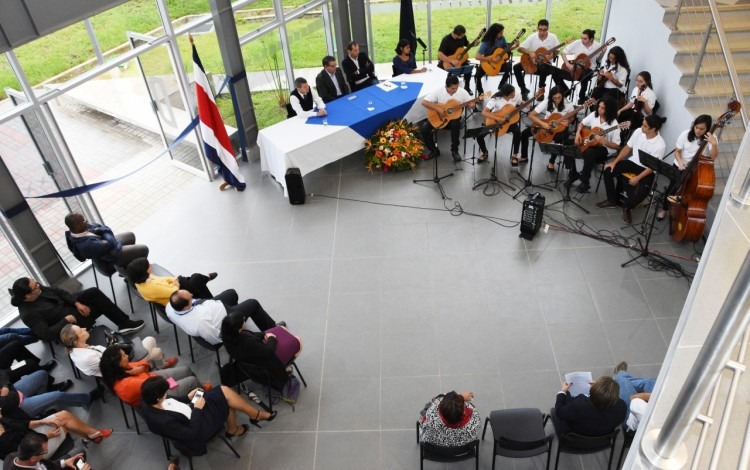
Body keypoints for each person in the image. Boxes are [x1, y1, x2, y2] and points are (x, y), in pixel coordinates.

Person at [140, 376, 276, 456]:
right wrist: (198, 409)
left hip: (191, 412)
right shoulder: (164, 422)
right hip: (197, 429)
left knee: (224, 394)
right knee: (226, 398)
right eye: (165, 392)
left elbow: (171, 400)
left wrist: (188, 397)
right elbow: (191, 434)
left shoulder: (149, 399)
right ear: (157, 397)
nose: (167, 392)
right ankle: (249, 419)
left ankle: (237, 427)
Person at [10, 278, 145, 342]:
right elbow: (45, 334)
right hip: (68, 323)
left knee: (93, 293)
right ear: (28, 296)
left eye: (36, 283)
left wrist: (77, 303)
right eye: (36, 287)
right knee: (100, 304)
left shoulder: (36, 288)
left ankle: (123, 323)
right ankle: (120, 322)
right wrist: (65, 321)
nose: (39, 286)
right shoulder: (28, 313)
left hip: (70, 307)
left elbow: (59, 292)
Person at [596, 114, 668, 224]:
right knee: (608, 171)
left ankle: (627, 208)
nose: (641, 127)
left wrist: (638, 178)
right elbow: (627, 148)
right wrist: (614, 163)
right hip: (633, 162)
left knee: (643, 192)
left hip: (647, 169)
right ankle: (611, 200)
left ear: (653, 129)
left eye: (644, 126)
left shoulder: (660, 145)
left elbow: (652, 167)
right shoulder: (639, 132)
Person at [167, 289, 281, 346]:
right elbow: (216, 339)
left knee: (231, 293)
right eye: (190, 298)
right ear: (186, 307)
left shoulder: (170, 307)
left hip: (212, 308)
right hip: (225, 319)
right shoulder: (200, 323)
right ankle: (274, 331)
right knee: (253, 304)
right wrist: (234, 325)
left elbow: (196, 303)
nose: (192, 295)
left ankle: (241, 318)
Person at [220, 312, 301, 391]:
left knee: (282, 328)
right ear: (238, 329)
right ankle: (285, 367)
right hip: (266, 362)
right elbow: (268, 351)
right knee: (298, 341)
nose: (244, 320)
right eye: (243, 320)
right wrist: (272, 338)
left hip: (251, 358)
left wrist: (263, 335)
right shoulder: (247, 343)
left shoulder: (227, 336)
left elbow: (250, 335)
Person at [60, 324, 177, 378]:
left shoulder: (76, 349)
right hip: (121, 366)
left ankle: (156, 366)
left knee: (154, 349)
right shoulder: (87, 357)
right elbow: (116, 367)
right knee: (154, 347)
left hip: (116, 358)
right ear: (76, 340)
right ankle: (159, 366)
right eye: (80, 330)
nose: (84, 328)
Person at [99, 346, 199, 408]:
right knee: (192, 381)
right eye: (124, 356)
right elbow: (159, 384)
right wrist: (144, 369)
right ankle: (197, 402)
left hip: (154, 379)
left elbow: (144, 363)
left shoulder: (122, 369)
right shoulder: (126, 385)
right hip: (159, 396)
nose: (127, 357)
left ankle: (194, 393)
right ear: (118, 364)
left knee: (186, 370)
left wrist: (141, 368)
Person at [661, 114, 718, 220]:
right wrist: (680, 161)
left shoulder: (711, 138)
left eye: (702, 129)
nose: (698, 131)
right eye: (696, 127)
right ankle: (664, 209)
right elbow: (677, 151)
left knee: (689, 191)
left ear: (707, 129)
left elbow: (713, 157)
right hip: (680, 165)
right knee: (672, 188)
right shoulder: (685, 134)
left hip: (696, 169)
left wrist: (714, 144)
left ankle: (682, 212)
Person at [0, 408, 111, 459]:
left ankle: (92, 435)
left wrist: (43, 421)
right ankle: (93, 434)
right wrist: (46, 436)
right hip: (35, 451)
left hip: (33, 435)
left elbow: (23, 424)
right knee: (63, 424)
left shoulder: (2, 420)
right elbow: (25, 451)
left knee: (62, 416)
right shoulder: (3, 441)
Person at [571, 96, 621, 193]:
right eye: (599, 106)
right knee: (570, 145)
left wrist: (604, 142)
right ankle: (573, 173)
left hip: (605, 149)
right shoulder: (594, 114)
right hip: (591, 143)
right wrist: (578, 133)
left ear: (609, 110)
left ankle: (585, 182)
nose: (599, 109)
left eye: (603, 108)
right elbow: (581, 123)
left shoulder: (615, 125)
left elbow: (617, 146)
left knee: (589, 153)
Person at [64, 213, 149, 269]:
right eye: (83, 221)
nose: (86, 221)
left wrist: (104, 234)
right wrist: (104, 233)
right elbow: (108, 235)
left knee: (130, 236)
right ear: (76, 226)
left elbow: (100, 226)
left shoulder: (82, 229)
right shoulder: (85, 245)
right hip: (110, 256)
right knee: (144, 249)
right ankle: (136, 275)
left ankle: (128, 266)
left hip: (107, 247)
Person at [0, 369, 96, 419]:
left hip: (12, 390)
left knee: (42, 374)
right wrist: (6, 391)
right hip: (18, 407)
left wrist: (5, 386)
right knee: (57, 396)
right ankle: (86, 399)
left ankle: (41, 408)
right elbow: (9, 402)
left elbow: (1, 373)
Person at [519, 86, 574, 171]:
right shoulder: (547, 101)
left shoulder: (569, 104)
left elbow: (572, 117)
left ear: (562, 96)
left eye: (559, 97)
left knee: (558, 139)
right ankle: (524, 156)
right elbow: (531, 115)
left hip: (561, 127)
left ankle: (551, 162)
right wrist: (542, 124)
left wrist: (568, 122)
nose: (557, 100)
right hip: (547, 124)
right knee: (524, 133)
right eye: (554, 98)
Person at [552, 376, 627, 437]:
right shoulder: (622, 407)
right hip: (601, 439)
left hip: (575, 437)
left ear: (592, 391)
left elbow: (559, 411)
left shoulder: (579, 405)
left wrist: (562, 392)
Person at [420, 75, 473, 161]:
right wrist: (438, 109)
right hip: (441, 118)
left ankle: (454, 151)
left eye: (456, 88)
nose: (455, 90)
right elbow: (424, 102)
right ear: (446, 86)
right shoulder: (439, 91)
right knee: (424, 129)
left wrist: (472, 105)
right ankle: (434, 150)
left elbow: (471, 103)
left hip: (456, 119)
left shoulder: (463, 92)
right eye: (452, 88)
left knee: (455, 125)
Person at [126, 257, 215, 307]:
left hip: (176, 287)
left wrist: (174, 281)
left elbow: (166, 279)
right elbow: (173, 292)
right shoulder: (149, 288)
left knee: (196, 281)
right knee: (196, 279)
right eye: (148, 265)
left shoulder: (144, 278)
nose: (150, 265)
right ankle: (212, 299)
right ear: (143, 272)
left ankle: (212, 301)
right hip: (176, 299)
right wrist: (175, 282)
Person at [514, 19, 567, 101]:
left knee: (544, 68)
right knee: (516, 67)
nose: (542, 32)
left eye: (544, 30)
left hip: (546, 63)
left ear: (548, 29)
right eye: (540, 30)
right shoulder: (533, 37)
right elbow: (520, 49)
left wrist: (552, 55)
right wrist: (530, 53)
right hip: (533, 62)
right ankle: (523, 90)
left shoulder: (553, 37)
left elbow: (557, 50)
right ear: (537, 28)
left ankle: (541, 91)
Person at [477, 83, 523, 165]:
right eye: (512, 93)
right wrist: (499, 119)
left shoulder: (516, 95)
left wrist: (529, 105)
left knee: (518, 132)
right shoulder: (496, 99)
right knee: (479, 136)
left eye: (514, 92)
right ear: (506, 95)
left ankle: (515, 155)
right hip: (495, 121)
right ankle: (485, 152)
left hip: (509, 121)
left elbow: (521, 101)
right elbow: (484, 112)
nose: (514, 94)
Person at [3, 433, 91, 470]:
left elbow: (45, 464)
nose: (46, 453)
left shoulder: (12, 456)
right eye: (45, 452)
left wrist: (64, 462)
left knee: (80, 452)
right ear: (33, 458)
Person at [560, 29, 603, 104]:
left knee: (585, 74)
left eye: (585, 38)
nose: (582, 40)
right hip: (575, 68)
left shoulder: (597, 46)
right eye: (581, 37)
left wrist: (604, 52)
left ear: (591, 39)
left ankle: (581, 97)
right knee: (557, 73)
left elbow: (599, 60)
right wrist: (567, 64)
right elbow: (563, 52)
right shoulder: (577, 42)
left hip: (589, 70)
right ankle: (565, 90)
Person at [613, 361, 656, 432]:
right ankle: (620, 376)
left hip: (633, 420)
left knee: (623, 381)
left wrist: (645, 396)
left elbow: (633, 399)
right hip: (649, 409)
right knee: (651, 382)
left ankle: (620, 376)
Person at [474, 23, 515, 95]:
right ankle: (481, 93)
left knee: (508, 67)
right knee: (477, 76)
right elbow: (477, 56)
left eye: (502, 32)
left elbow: (506, 49)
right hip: (488, 63)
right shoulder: (486, 42)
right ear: (494, 33)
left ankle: (501, 86)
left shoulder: (502, 38)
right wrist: (491, 59)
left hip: (498, 64)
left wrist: (515, 46)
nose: (502, 34)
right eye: (500, 33)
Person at [618, 71, 657, 140]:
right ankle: (614, 134)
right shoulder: (636, 89)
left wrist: (644, 101)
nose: (637, 83)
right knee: (618, 116)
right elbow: (631, 103)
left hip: (641, 117)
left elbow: (649, 112)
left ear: (646, 82)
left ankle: (620, 139)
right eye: (637, 80)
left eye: (640, 81)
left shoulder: (651, 94)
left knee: (627, 124)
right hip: (632, 111)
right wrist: (620, 110)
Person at [437, 25, 472, 94]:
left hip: (460, 61)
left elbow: (467, 44)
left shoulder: (463, 37)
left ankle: (467, 87)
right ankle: (447, 89)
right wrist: (451, 61)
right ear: (456, 34)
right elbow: (440, 54)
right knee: (448, 74)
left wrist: (473, 44)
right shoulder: (446, 40)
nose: (463, 37)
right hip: (448, 61)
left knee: (468, 69)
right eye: (461, 36)